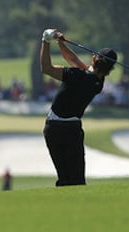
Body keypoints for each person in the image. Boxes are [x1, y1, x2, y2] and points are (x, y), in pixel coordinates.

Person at [40, 29, 117, 186]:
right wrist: (61, 43)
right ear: (110, 68)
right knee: (76, 181)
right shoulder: (98, 82)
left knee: (65, 179)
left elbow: (46, 68)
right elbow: (73, 59)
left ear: (94, 58)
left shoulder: (76, 75)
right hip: (73, 130)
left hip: (54, 129)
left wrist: (45, 41)